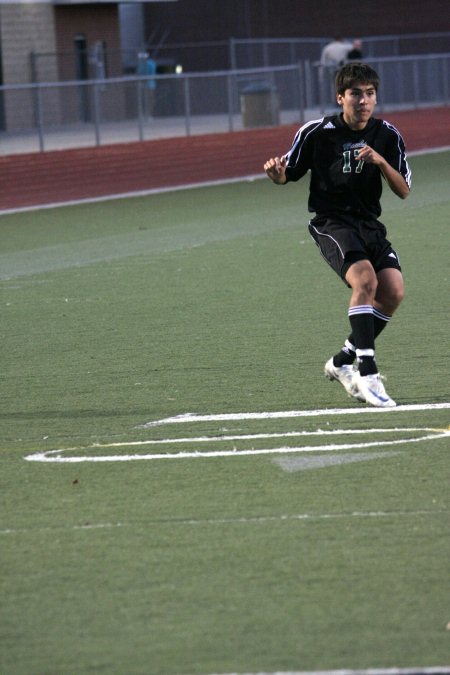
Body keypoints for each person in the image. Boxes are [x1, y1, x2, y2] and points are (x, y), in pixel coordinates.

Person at [263, 62, 411, 407]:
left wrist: (380, 162)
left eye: (370, 94)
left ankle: (343, 361)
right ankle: (368, 373)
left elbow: (404, 190)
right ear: (340, 97)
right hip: (332, 223)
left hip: (369, 224)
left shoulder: (387, 135)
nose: (363, 101)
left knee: (393, 292)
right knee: (365, 283)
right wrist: (277, 175)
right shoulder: (317, 132)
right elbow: (289, 173)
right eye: (356, 94)